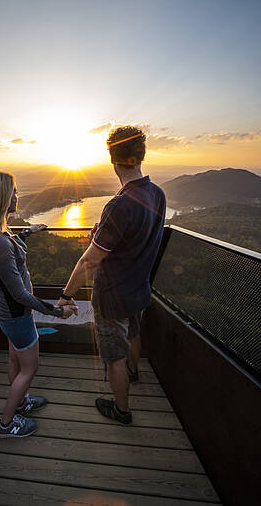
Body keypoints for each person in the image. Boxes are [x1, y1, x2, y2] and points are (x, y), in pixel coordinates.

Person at [58, 125, 165, 425]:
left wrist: (66, 295)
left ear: (112, 159)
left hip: (112, 296)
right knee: (133, 334)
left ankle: (122, 410)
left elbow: (89, 261)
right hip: (139, 290)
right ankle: (133, 374)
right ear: (140, 156)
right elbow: (139, 237)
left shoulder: (120, 205)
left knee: (113, 354)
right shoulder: (156, 194)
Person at [0, 170, 78, 438]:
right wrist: (56, 312)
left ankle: (22, 402)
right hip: (17, 314)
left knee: (14, 357)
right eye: (14, 192)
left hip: (6, 312)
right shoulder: (0, 243)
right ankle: (6, 423)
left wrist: (28, 232)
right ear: (1, 198)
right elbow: (19, 293)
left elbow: (8, 251)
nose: (17, 196)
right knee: (30, 367)